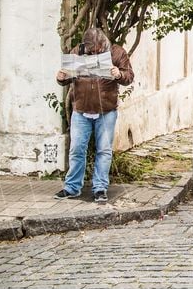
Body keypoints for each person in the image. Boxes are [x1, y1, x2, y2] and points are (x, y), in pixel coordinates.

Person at [54, 28, 134, 203]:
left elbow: (129, 77)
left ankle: (100, 188)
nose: (95, 53)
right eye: (92, 51)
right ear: (86, 46)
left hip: (106, 111)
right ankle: (72, 187)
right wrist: (61, 77)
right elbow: (67, 78)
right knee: (76, 149)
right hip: (81, 110)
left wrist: (119, 74)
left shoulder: (117, 52)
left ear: (105, 44)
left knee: (104, 151)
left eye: (99, 50)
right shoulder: (77, 52)